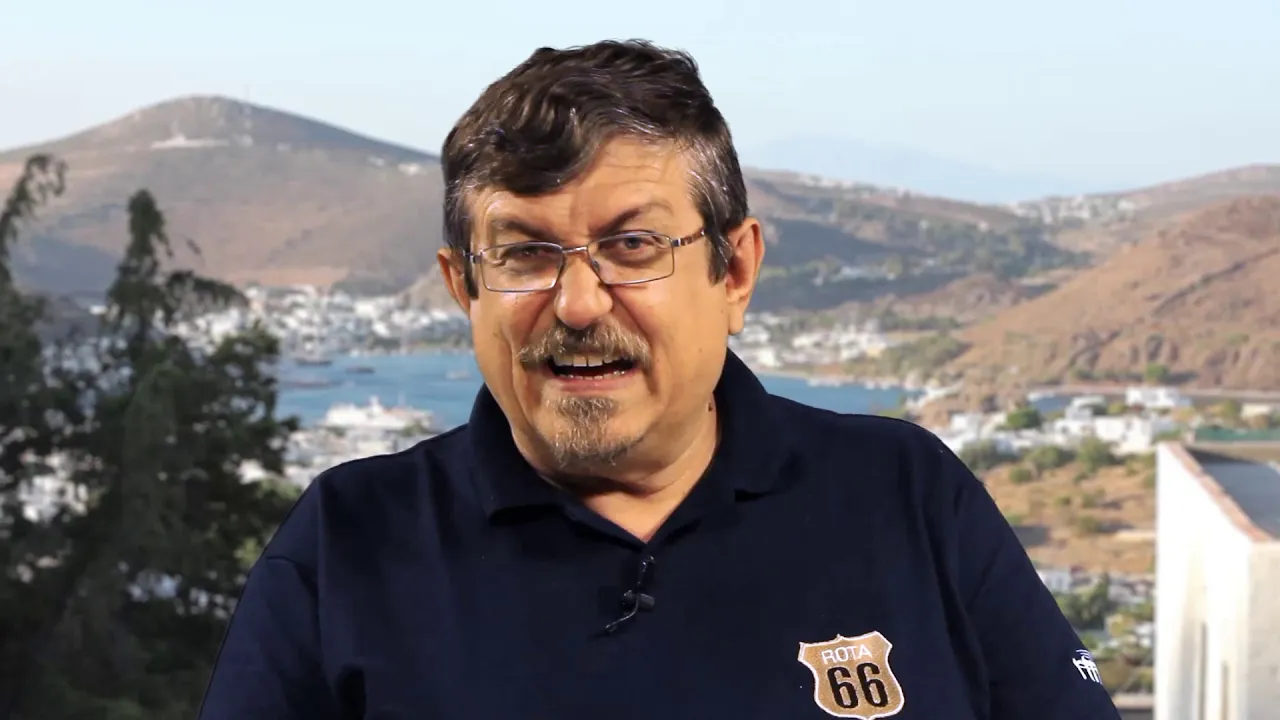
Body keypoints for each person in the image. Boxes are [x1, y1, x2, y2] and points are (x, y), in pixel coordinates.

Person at [198, 40, 1122, 719]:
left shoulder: (909, 499)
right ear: (463, 287)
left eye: (633, 245)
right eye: (524, 254)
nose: (577, 303)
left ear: (735, 272)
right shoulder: (347, 546)